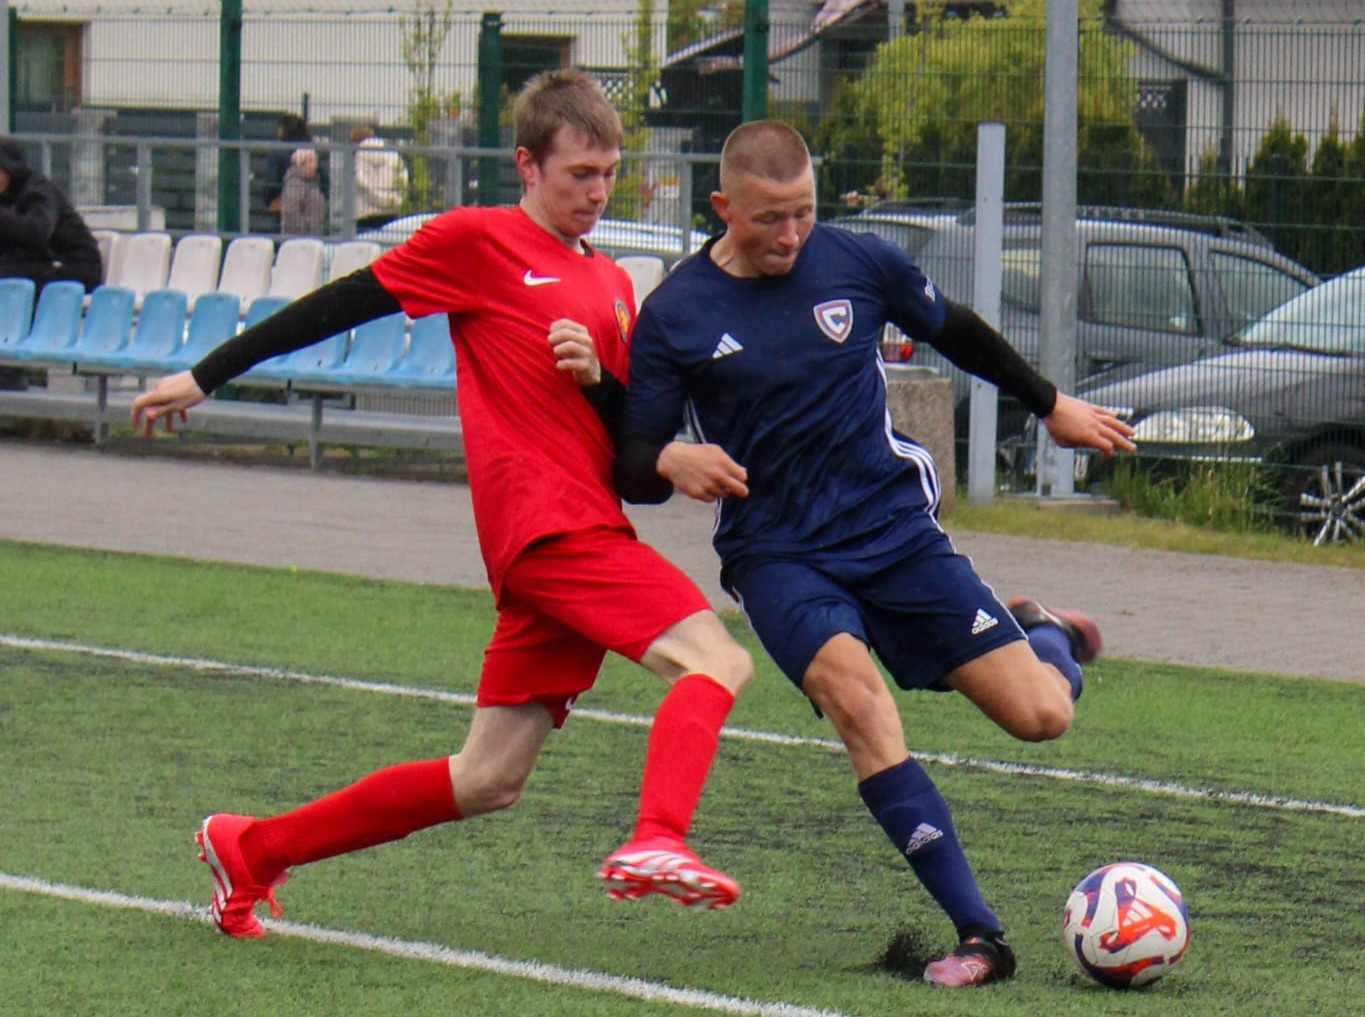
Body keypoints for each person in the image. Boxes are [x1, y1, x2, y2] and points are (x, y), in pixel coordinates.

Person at [130, 68, 752, 939]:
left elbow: (632, 469)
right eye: (579, 173)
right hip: (549, 530)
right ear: (527, 165)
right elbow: (340, 304)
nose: (597, 191)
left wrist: (607, 391)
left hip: (582, 528)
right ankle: (657, 837)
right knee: (715, 660)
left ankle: (253, 847)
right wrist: (205, 374)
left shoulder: (614, 285)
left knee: (486, 778)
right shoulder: (476, 240)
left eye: (609, 173)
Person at [608, 121, 1137, 988]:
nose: (790, 235)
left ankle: (1043, 635)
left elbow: (953, 328)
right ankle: (981, 934)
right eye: (768, 219)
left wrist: (1049, 404)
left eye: (803, 214)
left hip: (891, 529)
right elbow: (633, 463)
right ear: (722, 207)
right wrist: (669, 458)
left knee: (1043, 714)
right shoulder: (678, 313)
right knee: (858, 702)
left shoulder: (857, 261)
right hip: (776, 553)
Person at [0, 137, 103, 293]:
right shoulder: (6, 196)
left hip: (73, 266)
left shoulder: (39, 189)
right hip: (36, 265)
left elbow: (37, 232)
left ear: (11, 169)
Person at [350, 123, 408, 230]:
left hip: (365, 214)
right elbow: (402, 178)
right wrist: (394, 200)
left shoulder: (358, 157)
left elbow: (361, 183)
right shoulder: (393, 154)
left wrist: (374, 197)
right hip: (391, 212)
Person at [280, 147, 327, 235]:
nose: (315, 166)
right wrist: (305, 232)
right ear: (302, 164)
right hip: (300, 237)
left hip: (313, 236)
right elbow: (291, 214)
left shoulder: (313, 184)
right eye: (312, 162)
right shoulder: (294, 185)